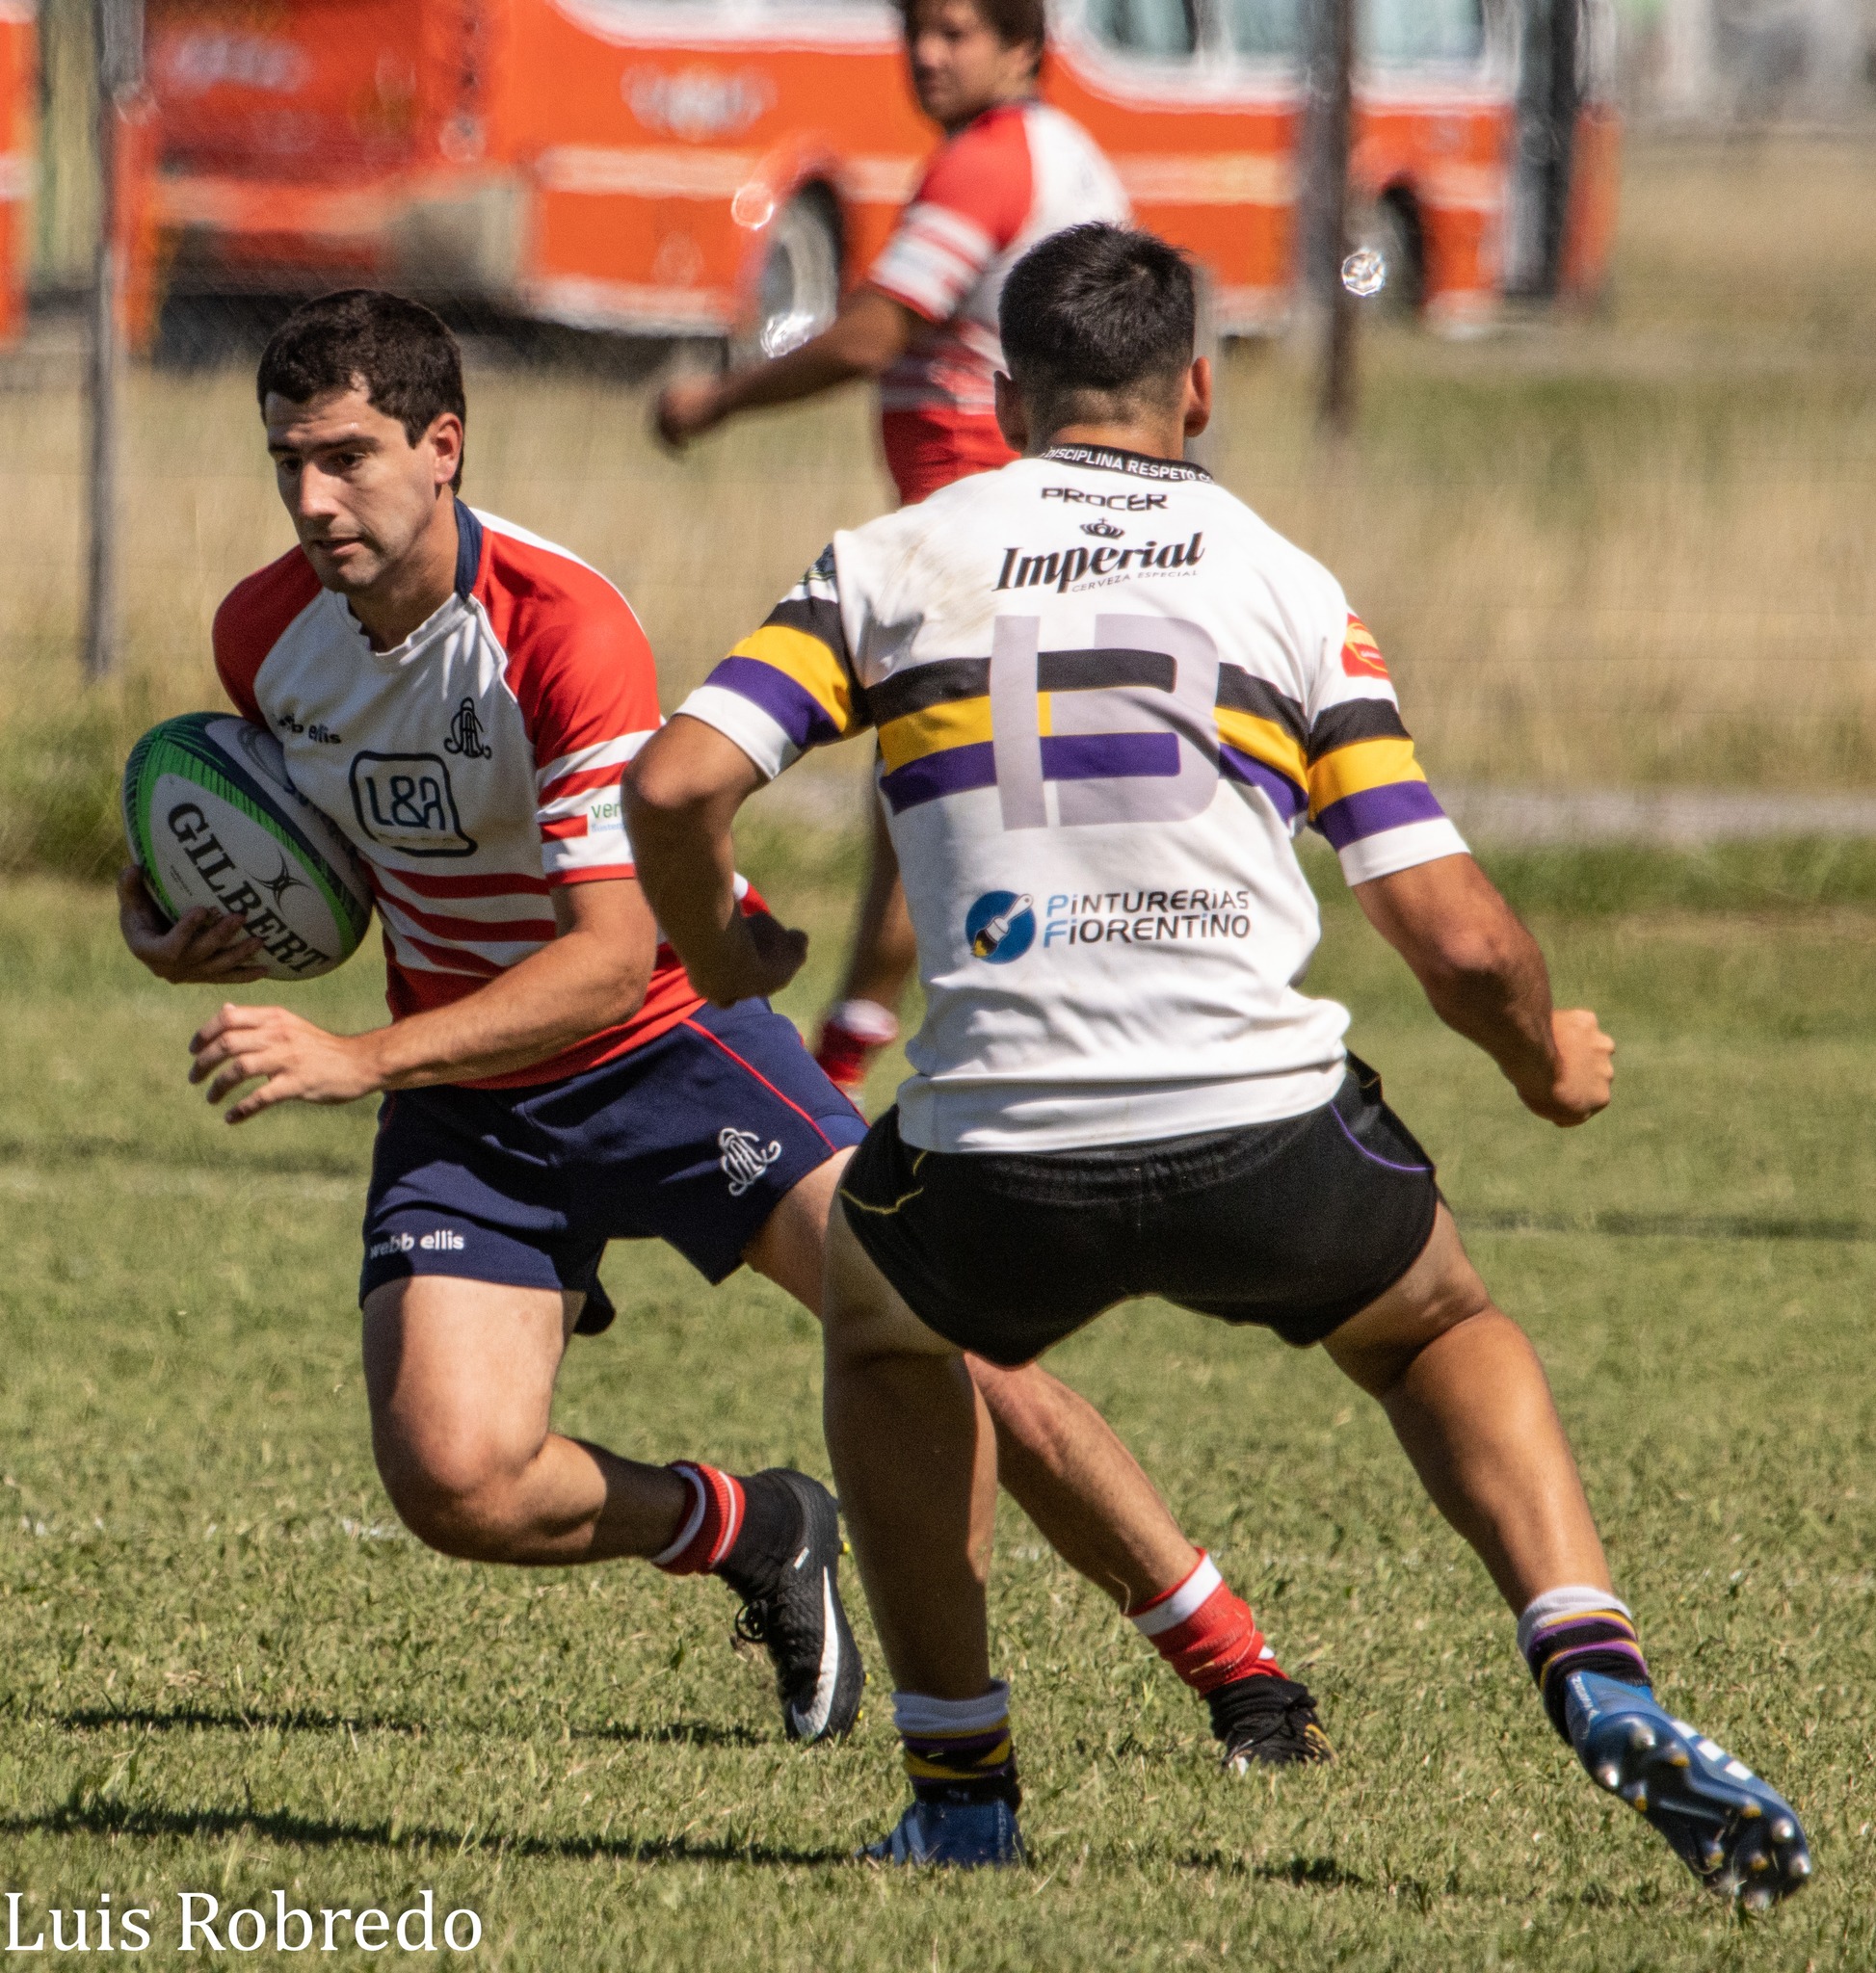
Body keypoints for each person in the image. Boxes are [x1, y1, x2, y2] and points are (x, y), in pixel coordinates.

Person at [625, 224, 1814, 1890]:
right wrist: (1545, 1059)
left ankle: (963, 1791)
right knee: (1439, 1326)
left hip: (998, 1150)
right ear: (1198, 386)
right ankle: (1594, 1669)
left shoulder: (890, 555)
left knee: (888, 1334)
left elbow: (676, 786)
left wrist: (718, 938)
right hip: (1268, 1129)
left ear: (998, 392)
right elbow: (1455, 933)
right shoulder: (1283, 580)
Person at [119, 287, 1327, 1769]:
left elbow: (612, 960)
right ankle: (753, 1530)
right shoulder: (262, 635)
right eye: (287, 463)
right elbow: (328, 855)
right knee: (455, 1480)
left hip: (669, 1048)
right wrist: (174, 918)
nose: (313, 500)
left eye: (349, 457)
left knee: (948, 1341)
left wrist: (358, 1061)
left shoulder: (560, 632)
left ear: (444, 447)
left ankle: (1235, 1668)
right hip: (475, 1092)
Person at [655, 0, 1130, 1099]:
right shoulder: (1067, 157)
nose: (927, 52)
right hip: (1037, 521)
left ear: (1025, 47)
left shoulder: (989, 159)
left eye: (957, 30)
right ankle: (852, 1060)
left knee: (921, 788)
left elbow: (878, 329)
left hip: (975, 524)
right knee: (940, 797)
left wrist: (715, 401)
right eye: (917, 27)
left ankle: (822, 1048)